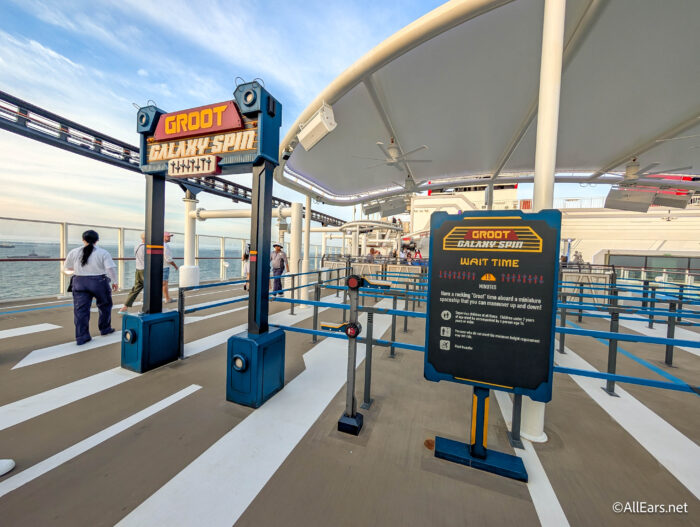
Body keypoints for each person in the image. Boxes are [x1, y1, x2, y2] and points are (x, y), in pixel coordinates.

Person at [63, 230, 118, 345]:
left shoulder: (74, 252)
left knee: (80, 310)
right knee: (105, 305)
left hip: (79, 282)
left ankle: (82, 337)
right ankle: (105, 328)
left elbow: (66, 269)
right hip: (99, 282)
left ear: (83, 240)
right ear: (97, 240)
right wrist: (115, 282)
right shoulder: (103, 253)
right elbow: (110, 269)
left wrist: (78, 272)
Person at [119, 232, 145, 314]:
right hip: (145, 271)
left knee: (136, 289)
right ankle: (146, 309)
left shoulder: (137, 246)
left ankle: (125, 307)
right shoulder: (146, 248)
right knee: (150, 289)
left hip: (138, 270)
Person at [163, 232, 178, 303]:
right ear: (163, 237)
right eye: (168, 236)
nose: (170, 238)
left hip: (159, 266)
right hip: (165, 267)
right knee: (165, 283)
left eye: (170, 236)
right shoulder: (165, 246)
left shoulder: (159, 245)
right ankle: (167, 299)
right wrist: (175, 266)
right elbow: (168, 259)